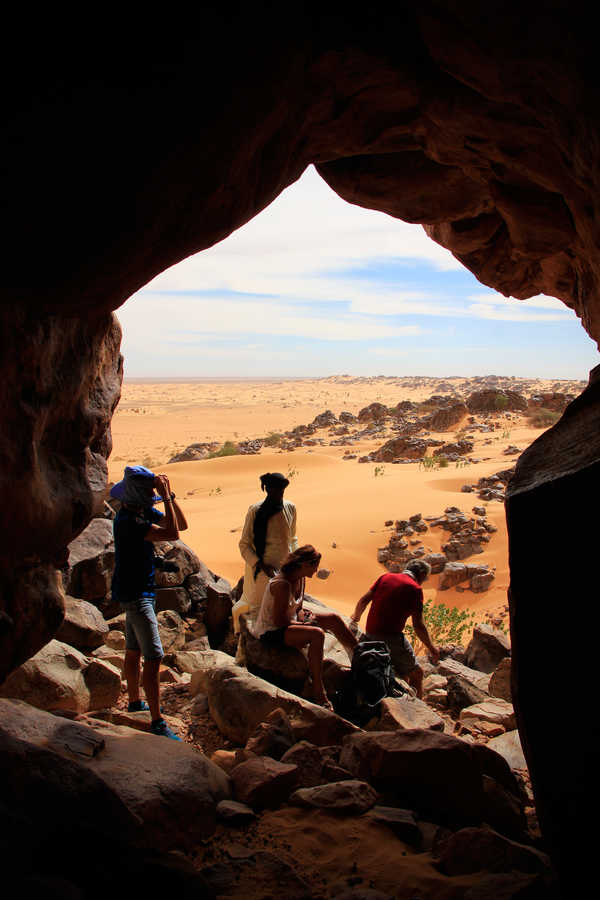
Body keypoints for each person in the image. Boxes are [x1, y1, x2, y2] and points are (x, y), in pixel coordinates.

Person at [110, 465, 188, 740]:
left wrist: (171, 498)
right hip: (137, 595)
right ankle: (156, 721)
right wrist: (166, 496)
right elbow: (174, 534)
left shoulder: (137, 512)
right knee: (154, 657)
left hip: (137, 590)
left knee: (133, 650)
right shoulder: (130, 521)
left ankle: (134, 701)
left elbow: (180, 524)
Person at [251, 544, 358, 708]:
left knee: (334, 619)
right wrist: (306, 624)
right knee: (317, 635)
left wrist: (304, 617)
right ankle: (318, 689)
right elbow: (279, 621)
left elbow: (297, 609)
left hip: (290, 622)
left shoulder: (300, 579)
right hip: (271, 632)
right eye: (314, 566)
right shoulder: (282, 585)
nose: (316, 571)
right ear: (304, 565)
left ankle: (359, 658)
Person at [350, 559, 440, 698]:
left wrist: (355, 618)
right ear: (421, 575)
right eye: (425, 578)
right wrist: (432, 648)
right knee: (417, 673)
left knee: (403, 674)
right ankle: (418, 709)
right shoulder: (415, 589)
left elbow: (364, 600)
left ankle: (399, 695)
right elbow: (418, 625)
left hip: (369, 633)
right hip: (390, 638)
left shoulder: (386, 577)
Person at [233, 472, 298, 633]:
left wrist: (294, 562)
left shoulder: (290, 508)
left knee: (280, 612)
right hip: (260, 574)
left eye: (282, 492)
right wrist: (261, 565)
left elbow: (292, 539)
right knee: (256, 612)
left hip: (283, 572)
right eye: (276, 492)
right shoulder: (255, 511)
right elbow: (244, 545)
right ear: (268, 490)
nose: (279, 496)